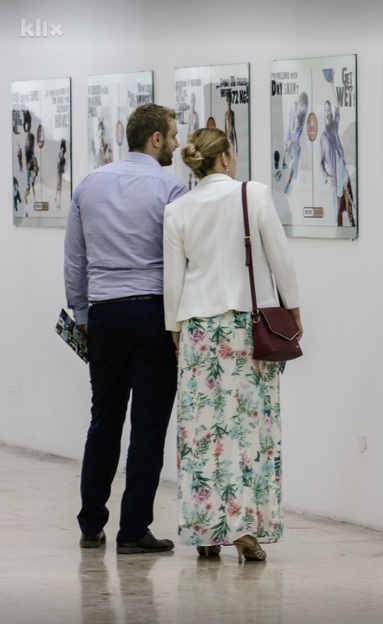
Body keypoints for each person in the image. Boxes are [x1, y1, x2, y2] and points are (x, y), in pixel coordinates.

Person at [164, 127, 302, 562]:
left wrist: (175, 331)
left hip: (198, 331)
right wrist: (294, 309)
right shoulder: (253, 194)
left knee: (202, 432)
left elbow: (173, 280)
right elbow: (280, 259)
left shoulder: (177, 210)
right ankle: (244, 530)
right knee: (248, 429)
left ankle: (206, 530)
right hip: (247, 327)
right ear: (224, 157)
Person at [63, 103, 185, 554]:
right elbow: (181, 261)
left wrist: (82, 315)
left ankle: (91, 524)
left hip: (106, 315)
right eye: (172, 135)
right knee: (148, 427)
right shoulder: (171, 188)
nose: (176, 144)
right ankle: (133, 530)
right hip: (154, 315)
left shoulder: (89, 185)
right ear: (155, 139)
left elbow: (75, 259)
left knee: (104, 419)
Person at [320, 73, 356, 227]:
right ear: (323, 114)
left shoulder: (334, 128)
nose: (327, 112)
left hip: (344, 174)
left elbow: (337, 108)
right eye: (325, 110)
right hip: (336, 179)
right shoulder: (323, 137)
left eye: (328, 110)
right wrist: (326, 177)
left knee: (351, 211)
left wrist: (332, 86)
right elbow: (320, 164)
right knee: (338, 216)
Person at [276, 92, 308, 194]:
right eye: (301, 105)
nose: (302, 109)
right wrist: (287, 142)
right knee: (286, 158)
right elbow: (289, 130)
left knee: (293, 165)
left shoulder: (302, 119)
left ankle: (288, 183)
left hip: (296, 145)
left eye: (304, 106)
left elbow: (299, 136)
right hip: (290, 142)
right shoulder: (292, 111)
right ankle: (281, 173)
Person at [224, 91, 238, 155]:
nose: (229, 102)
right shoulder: (226, 114)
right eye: (228, 100)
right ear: (226, 101)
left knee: (232, 154)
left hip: (232, 136)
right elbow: (225, 128)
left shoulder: (232, 113)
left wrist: (236, 145)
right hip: (227, 137)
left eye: (230, 100)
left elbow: (234, 128)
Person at [55, 139, 67, 209]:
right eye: (61, 150)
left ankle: (58, 200)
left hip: (60, 173)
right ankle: (57, 198)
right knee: (58, 186)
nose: (61, 151)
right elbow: (58, 165)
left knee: (60, 186)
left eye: (62, 150)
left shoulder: (64, 160)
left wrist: (63, 176)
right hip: (59, 173)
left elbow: (63, 169)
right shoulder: (59, 156)